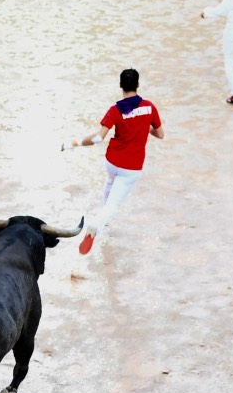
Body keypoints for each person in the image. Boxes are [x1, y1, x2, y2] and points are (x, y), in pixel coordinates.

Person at [68, 68, 164, 254]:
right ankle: (96, 226)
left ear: (121, 85)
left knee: (110, 184)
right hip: (132, 167)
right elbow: (160, 134)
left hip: (112, 161)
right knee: (114, 204)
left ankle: (105, 223)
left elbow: (98, 138)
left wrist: (77, 142)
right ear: (138, 85)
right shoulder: (149, 107)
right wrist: (146, 128)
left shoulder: (115, 110)